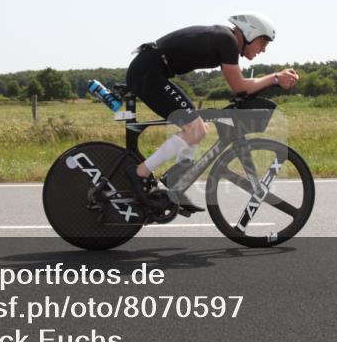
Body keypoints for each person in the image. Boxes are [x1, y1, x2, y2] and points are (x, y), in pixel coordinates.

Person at [125, 13, 299, 211]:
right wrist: (275, 78)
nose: (263, 50)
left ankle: (175, 184)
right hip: (148, 73)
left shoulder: (226, 39)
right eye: (263, 43)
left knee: (200, 127)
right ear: (252, 34)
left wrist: (273, 80)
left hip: (152, 71)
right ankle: (140, 173)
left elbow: (240, 86)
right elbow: (239, 86)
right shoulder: (227, 41)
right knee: (196, 129)